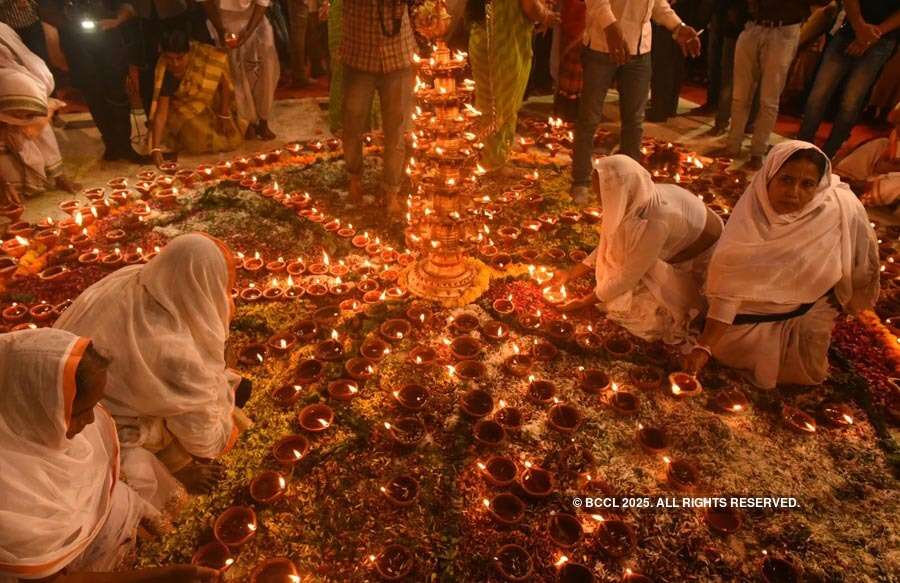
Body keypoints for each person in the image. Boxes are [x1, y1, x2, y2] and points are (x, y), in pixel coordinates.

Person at [0, 328, 218, 583]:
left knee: (139, 463)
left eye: (93, 406)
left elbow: (110, 482)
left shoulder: (52, 425)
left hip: (98, 534)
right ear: (31, 409)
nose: (91, 420)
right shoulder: (10, 491)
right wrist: (160, 576)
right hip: (70, 572)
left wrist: (152, 521)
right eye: (79, 412)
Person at [55, 233, 251, 511]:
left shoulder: (132, 275)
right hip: (93, 425)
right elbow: (204, 441)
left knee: (214, 387)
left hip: (59, 384)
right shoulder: (175, 353)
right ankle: (175, 467)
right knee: (216, 409)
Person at [685, 141, 880, 389]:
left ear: (820, 186)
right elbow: (729, 289)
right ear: (768, 177)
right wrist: (704, 347)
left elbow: (863, 264)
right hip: (753, 308)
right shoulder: (750, 220)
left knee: (804, 369)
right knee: (723, 348)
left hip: (814, 306)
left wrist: (841, 297)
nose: (794, 192)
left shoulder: (839, 209)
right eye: (786, 180)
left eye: (807, 184)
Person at [552, 154, 723, 344]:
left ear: (620, 192)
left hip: (704, 252)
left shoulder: (656, 223)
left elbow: (628, 276)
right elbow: (611, 239)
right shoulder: (637, 194)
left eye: (602, 195)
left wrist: (585, 301)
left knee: (643, 314)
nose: (600, 201)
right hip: (675, 232)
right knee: (619, 266)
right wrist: (571, 274)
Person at [570, 0, 701, 202]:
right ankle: (581, 180)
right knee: (589, 118)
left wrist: (678, 26)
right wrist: (611, 27)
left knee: (634, 122)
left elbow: (656, 4)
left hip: (640, 52)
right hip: (601, 46)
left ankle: (628, 185)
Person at [713, 0, 830, 170]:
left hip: (784, 28)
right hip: (753, 25)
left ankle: (757, 152)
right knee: (740, 94)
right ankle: (732, 145)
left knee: (769, 98)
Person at [40, 0, 147, 163]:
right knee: (94, 96)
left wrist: (117, 20)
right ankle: (111, 145)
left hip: (110, 41)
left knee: (118, 95)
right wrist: (69, 23)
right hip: (78, 46)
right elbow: (45, 10)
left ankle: (125, 146)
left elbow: (129, 6)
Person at [797, 0, 900, 158]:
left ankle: (828, 154)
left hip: (882, 39)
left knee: (852, 101)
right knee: (819, 94)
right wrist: (860, 28)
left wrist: (873, 34)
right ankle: (801, 147)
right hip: (849, 30)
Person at [340, 0, 416, 212]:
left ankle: (391, 190)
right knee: (352, 126)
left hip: (398, 54)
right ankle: (354, 181)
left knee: (397, 130)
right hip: (359, 54)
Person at [467, 0, 558, 174]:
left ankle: (488, 158)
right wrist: (546, 16)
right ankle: (494, 163)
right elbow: (529, 6)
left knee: (488, 104)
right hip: (505, 42)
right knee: (503, 106)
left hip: (482, 36)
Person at [0, 23, 78, 205]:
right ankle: (13, 184)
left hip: (20, 86)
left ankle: (58, 175)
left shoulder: (32, 77)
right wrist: (5, 183)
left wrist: (40, 117)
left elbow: (35, 128)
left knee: (37, 130)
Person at [147, 28, 244, 167]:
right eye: (170, 58)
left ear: (188, 52)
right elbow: (161, 113)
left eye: (180, 58)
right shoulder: (165, 71)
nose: (175, 64)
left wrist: (224, 115)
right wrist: (155, 148)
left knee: (232, 140)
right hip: (183, 110)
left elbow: (225, 86)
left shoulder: (205, 56)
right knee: (198, 143)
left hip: (211, 102)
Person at [200, 0, 280, 140]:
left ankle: (263, 120)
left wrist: (249, 31)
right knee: (237, 76)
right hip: (224, 23)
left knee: (266, 71)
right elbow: (206, 3)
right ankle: (246, 123)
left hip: (255, 21)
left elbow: (262, 4)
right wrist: (220, 29)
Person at [129, 0, 190, 118]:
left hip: (174, 15)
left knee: (176, 68)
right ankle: (153, 121)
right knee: (148, 80)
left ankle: (178, 119)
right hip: (143, 21)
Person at [834, 103, 900, 207]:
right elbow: (882, 163)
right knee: (880, 143)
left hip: (894, 178)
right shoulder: (894, 134)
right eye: (897, 124)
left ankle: (862, 189)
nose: (897, 128)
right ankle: (843, 179)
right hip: (882, 170)